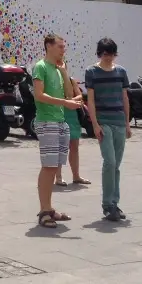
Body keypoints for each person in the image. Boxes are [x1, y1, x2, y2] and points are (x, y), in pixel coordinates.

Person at [32, 34, 83, 229]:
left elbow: (70, 95)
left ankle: (49, 208)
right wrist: (65, 102)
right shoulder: (41, 67)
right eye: (60, 46)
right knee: (48, 166)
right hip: (47, 122)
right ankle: (44, 211)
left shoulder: (58, 68)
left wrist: (64, 73)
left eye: (64, 46)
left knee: (54, 167)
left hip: (60, 121)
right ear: (48, 46)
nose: (63, 50)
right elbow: (39, 95)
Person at [84, 37, 131, 222]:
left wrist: (127, 122)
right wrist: (94, 124)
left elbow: (125, 97)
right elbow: (91, 100)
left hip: (119, 120)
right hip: (103, 121)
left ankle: (114, 202)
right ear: (99, 53)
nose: (109, 57)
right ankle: (107, 204)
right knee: (109, 161)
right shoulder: (92, 72)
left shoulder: (121, 72)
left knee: (116, 165)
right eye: (105, 54)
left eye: (112, 54)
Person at [55, 70, 92, 189]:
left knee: (74, 146)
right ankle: (58, 177)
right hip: (59, 114)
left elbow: (80, 95)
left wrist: (72, 99)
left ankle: (76, 176)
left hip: (73, 116)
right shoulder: (52, 80)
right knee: (60, 147)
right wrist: (66, 100)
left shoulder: (71, 80)